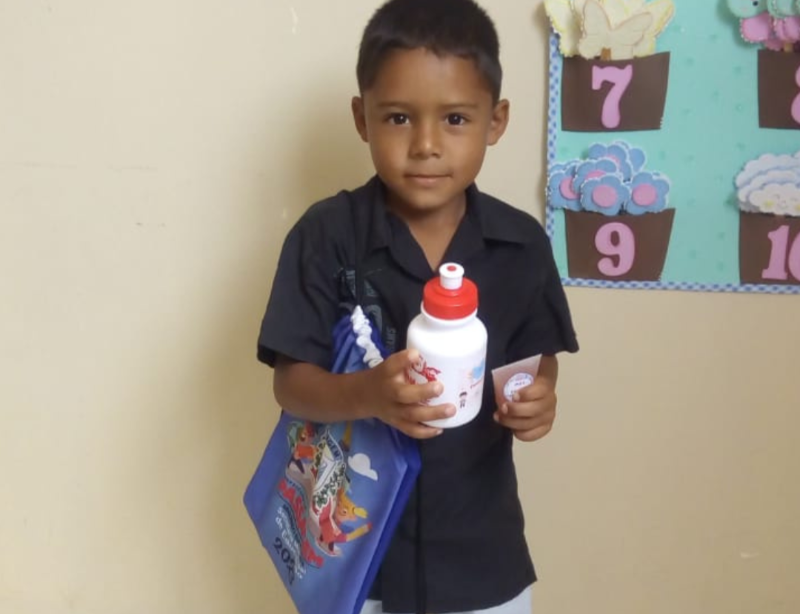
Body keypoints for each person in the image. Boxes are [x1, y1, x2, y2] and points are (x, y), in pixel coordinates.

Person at [256, 0, 578, 612]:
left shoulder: (521, 245)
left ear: (496, 121)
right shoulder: (326, 236)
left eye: (455, 118)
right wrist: (368, 394)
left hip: (481, 558)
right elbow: (291, 384)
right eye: (399, 117)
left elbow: (537, 359)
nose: (426, 145)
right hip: (353, 555)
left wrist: (537, 399)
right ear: (363, 118)